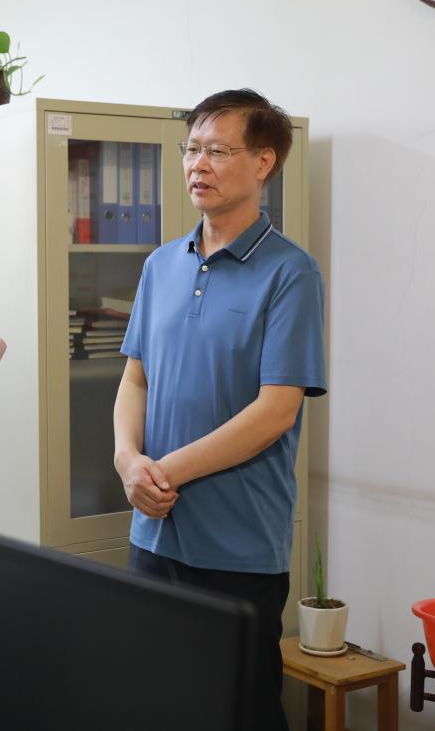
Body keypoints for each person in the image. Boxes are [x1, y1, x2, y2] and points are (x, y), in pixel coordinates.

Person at [114, 89, 327, 730]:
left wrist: (162, 472)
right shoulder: (160, 265)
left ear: (263, 162)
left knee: (238, 711)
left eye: (216, 150)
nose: (197, 165)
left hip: (237, 545)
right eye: (191, 150)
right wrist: (127, 461)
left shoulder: (291, 273)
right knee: (155, 706)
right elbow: (135, 380)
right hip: (154, 533)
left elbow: (275, 412)